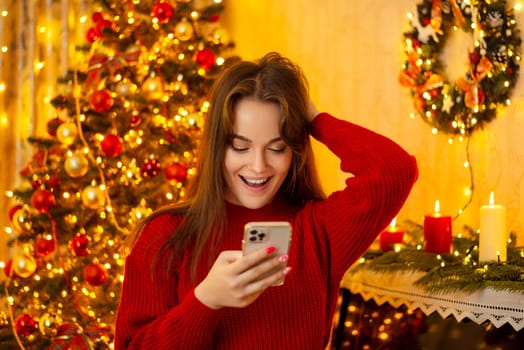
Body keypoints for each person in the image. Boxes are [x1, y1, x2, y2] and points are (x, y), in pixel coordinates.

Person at [114, 52, 418, 349]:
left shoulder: (317, 230)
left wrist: (313, 118)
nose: (258, 167)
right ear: (217, 147)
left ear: (295, 151)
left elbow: (395, 170)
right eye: (240, 147)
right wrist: (206, 300)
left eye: (277, 147)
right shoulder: (166, 234)